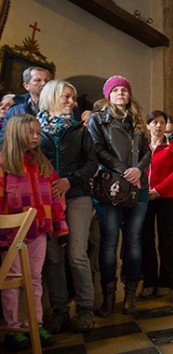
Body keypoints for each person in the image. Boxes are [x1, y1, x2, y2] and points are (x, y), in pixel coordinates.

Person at [0, 114, 68, 350]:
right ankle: (13, 327)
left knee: (35, 279)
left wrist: (61, 228)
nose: (36, 136)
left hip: (38, 230)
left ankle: (34, 323)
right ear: (16, 132)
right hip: (10, 235)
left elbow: (56, 199)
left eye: (38, 132)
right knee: (12, 280)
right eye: (30, 132)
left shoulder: (43, 165)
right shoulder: (3, 165)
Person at [37, 80, 98, 334]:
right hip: (46, 200)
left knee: (76, 254)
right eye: (67, 97)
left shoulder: (79, 131)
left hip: (77, 196)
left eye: (73, 98)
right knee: (53, 257)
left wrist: (68, 181)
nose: (72, 102)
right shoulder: (36, 130)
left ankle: (85, 309)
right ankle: (60, 311)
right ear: (51, 97)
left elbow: (91, 163)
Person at [87, 75, 151, 317]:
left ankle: (131, 295)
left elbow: (148, 152)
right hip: (111, 186)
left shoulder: (137, 121)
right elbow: (97, 149)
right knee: (109, 242)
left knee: (134, 241)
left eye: (125, 89)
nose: (121, 93)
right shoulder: (98, 119)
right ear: (108, 95)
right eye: (116, 90)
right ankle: (109, 296)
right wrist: (124, 169)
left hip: (138, 187)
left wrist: (138, 170)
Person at [140, 111, 173, 297]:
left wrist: (158, 190)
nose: (158, 126)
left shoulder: (172, 147)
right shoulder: (142, 147)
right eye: (154, 122)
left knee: (166, 239)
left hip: (166, 197)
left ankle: (165, 280)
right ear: (148, 125)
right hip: (144, 198)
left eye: (162, 123)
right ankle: (149, 281)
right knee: (146, 239)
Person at [0, 67, 52, 144]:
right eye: (38, 80)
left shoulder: (61, 107)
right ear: (26, 85)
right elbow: (4, 138)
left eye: (47, 81)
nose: (44, 83)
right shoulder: (14, 109)